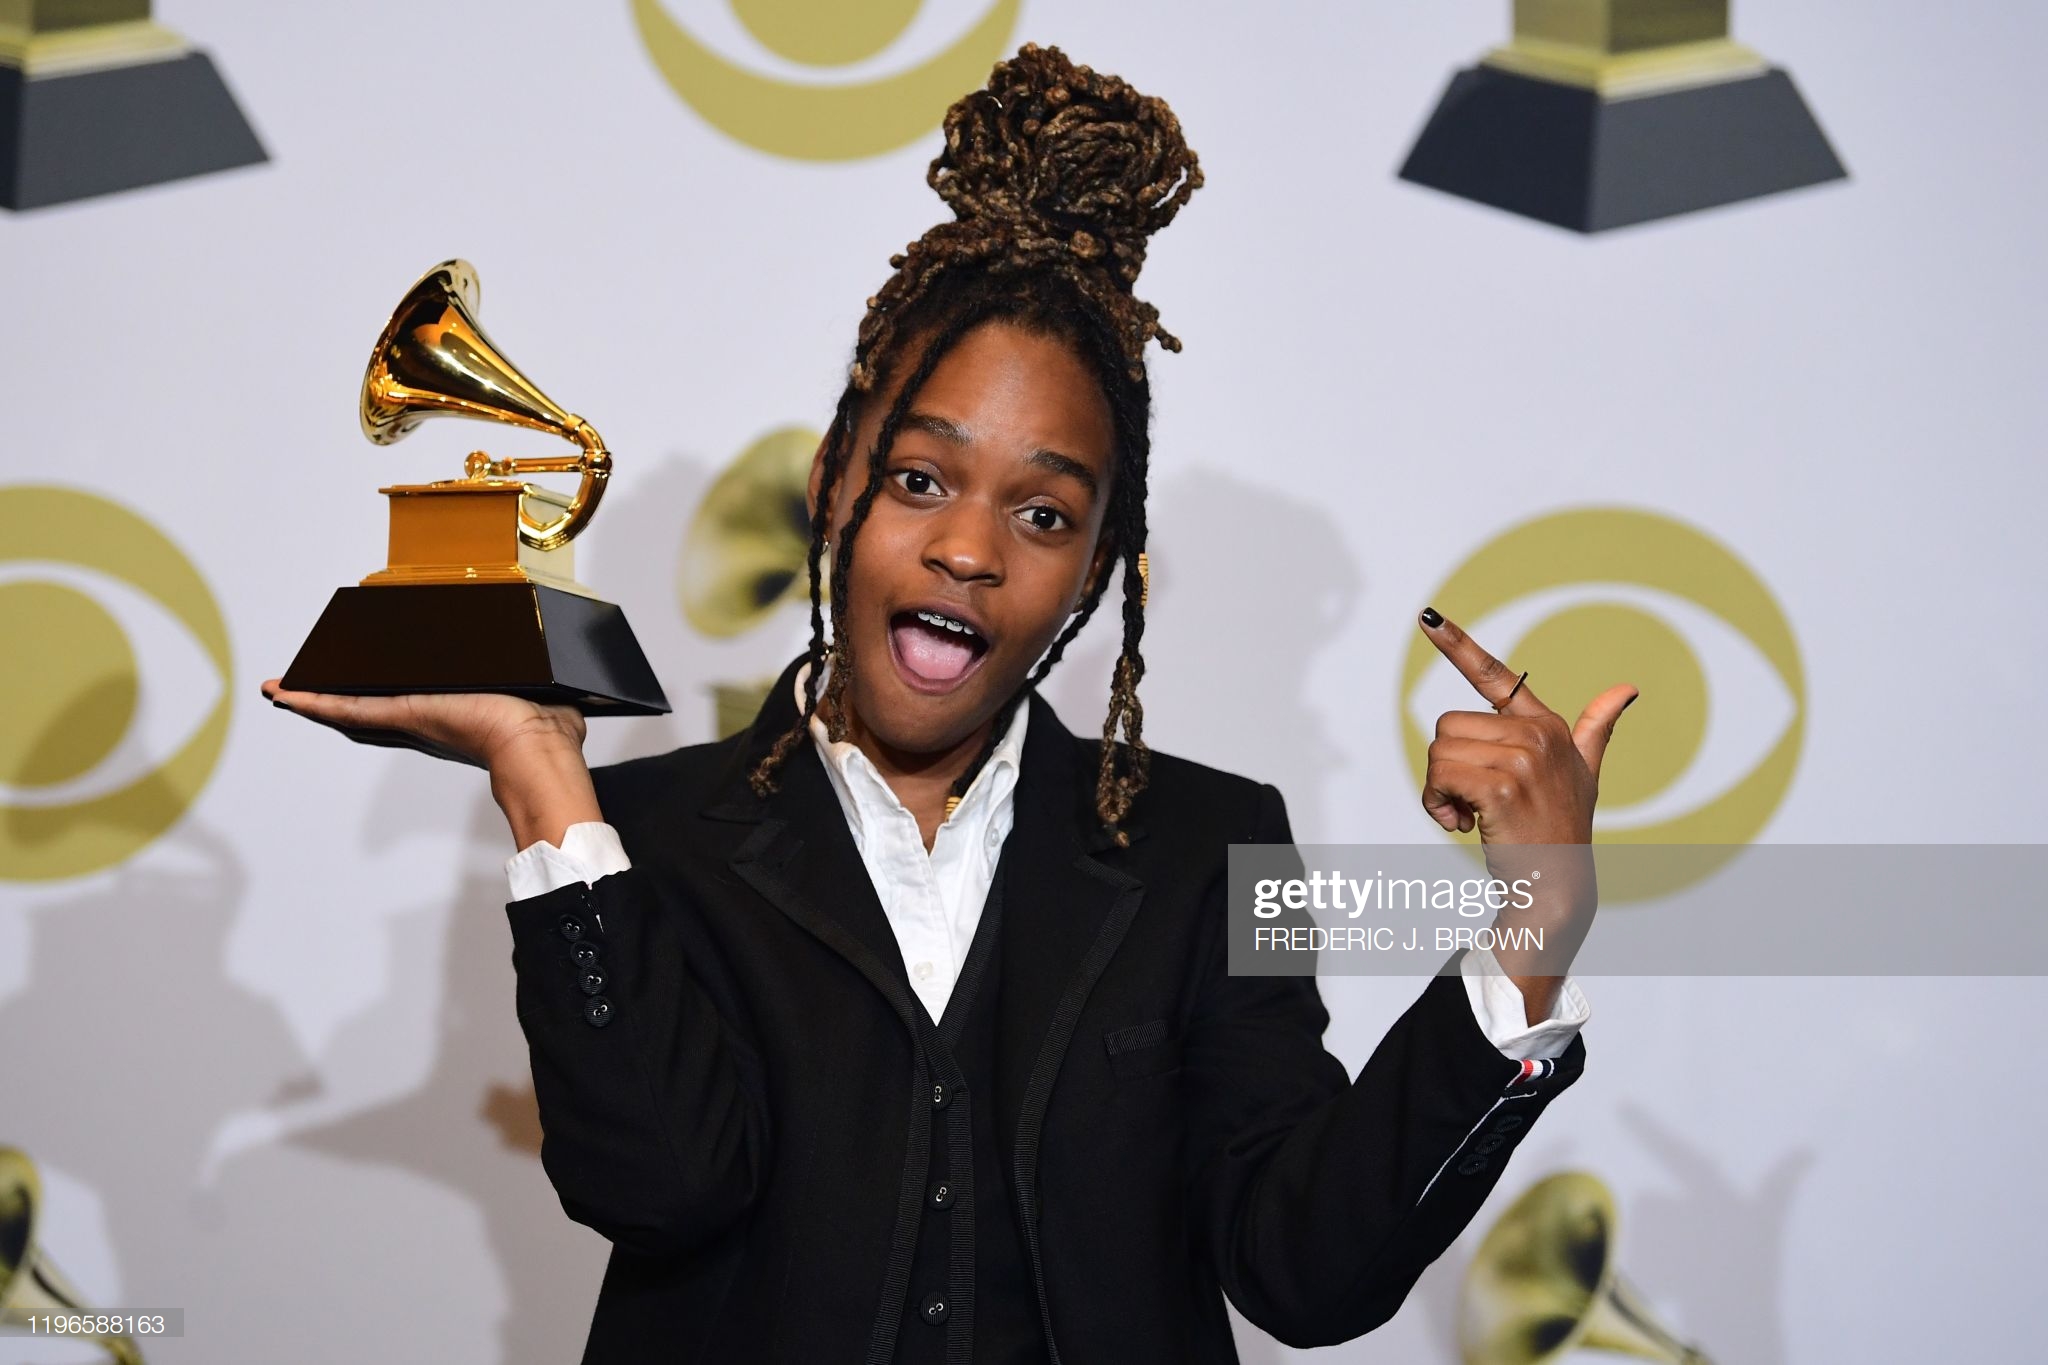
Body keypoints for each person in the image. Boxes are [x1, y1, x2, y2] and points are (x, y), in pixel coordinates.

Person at [264, 43, 1636, 1365]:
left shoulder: (1216, 845)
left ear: (1099, 567)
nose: (969, 549)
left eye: (1043, 513)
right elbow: (659, 1186)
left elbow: (1308, 1270)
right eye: (920, 479)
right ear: (832, 484)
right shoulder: (635, 842)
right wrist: (539, 772)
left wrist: (1534, 927)